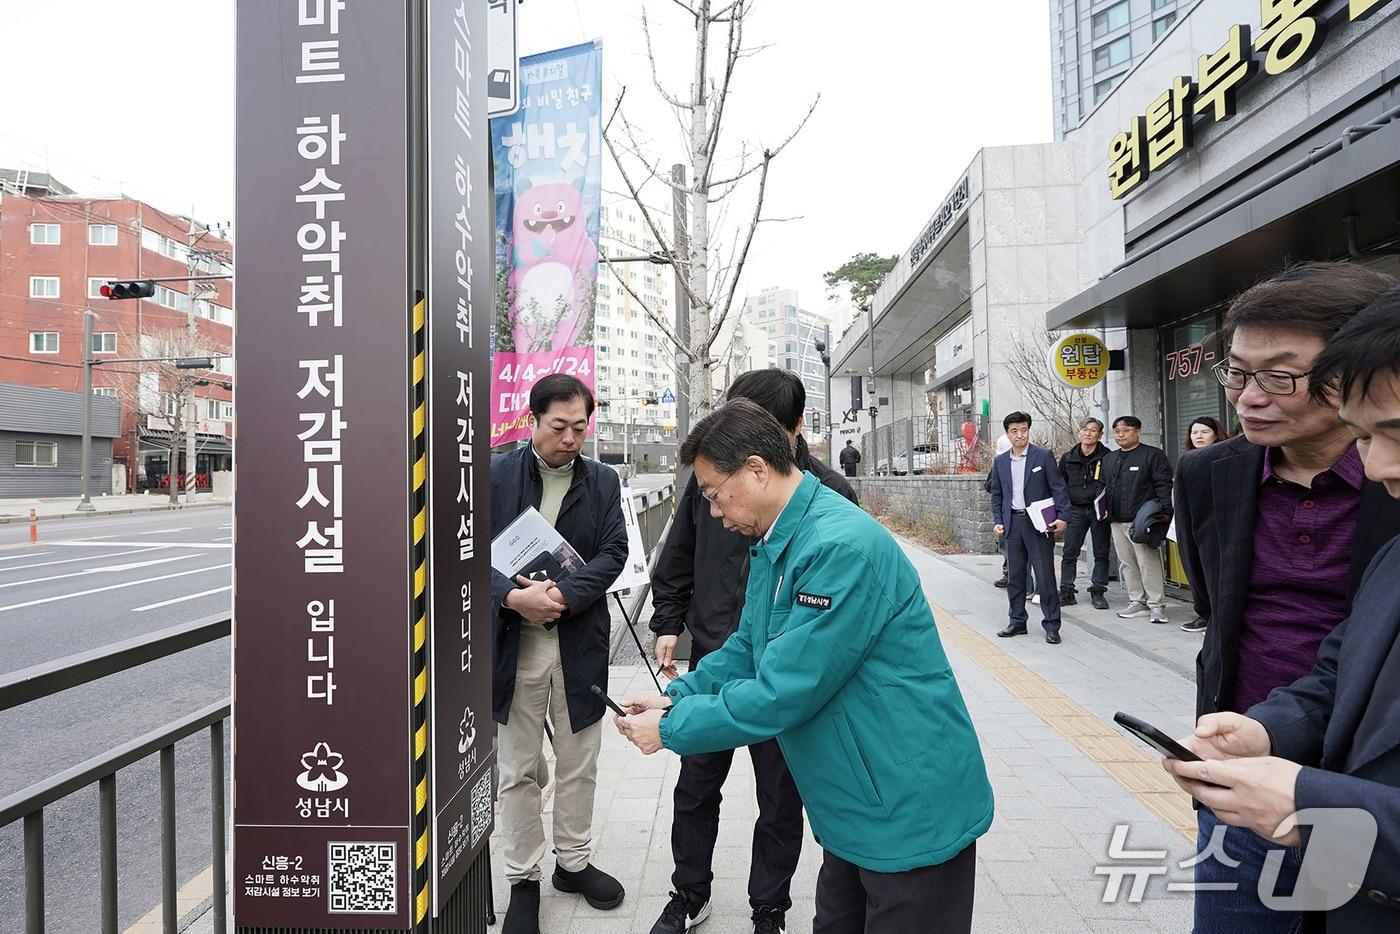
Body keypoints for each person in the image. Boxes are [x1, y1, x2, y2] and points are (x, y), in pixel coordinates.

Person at [616, 400, 992, 934]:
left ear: (756, 470)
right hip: (854, 802)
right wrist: (679, 694)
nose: (715, 512)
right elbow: (749, 647)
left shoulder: (838, 546)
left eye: (715, 495)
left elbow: (783, 690)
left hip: (907, 805)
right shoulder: (779, 540)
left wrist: (673, 728)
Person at [1172, 262, 1400, 933]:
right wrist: (1259, 729)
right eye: (1238, 373)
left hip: (1360, 786)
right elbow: (1218, 610)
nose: (1247, 398)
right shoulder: (1208, 474)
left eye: (1279, 376)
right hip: (1248, 775)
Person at [648, 368, 857, 934]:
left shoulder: (831, 500)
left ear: (788, 431)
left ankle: (769, 907)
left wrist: (665, 725)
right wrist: (669, 621)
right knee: (695, 787)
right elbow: (678, 553)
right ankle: (689, 892)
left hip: (786, 672)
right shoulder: (712, 479)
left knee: (781, 799)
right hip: (722, 653)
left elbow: (812, 658)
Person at [489, 374, 630, 934]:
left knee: (579, 764)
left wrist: (564, 597)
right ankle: (523, 878)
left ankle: (572, 863)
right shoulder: (495, 474)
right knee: (517, 768)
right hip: (514, 647)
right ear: (533, 421)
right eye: (559, 427)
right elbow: (464, 550)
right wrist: (513, 596)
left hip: (578, 644)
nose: (571, 438)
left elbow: (615, 549)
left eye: (580, 427)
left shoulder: (602, 480)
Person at [988, 412, 1070, 643]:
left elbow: (1058, 488)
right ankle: (1017, 621)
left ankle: (1052, 625)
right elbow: (997, 495)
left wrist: (1063, 516)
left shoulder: (1042, 456)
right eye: (1014, 431)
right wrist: (998, 520)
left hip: (1038, 525)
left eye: (1023, 430)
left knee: (1045, 577)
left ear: (1028, 430)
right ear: (1007, 433)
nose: (1019, 435)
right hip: (1012, 525)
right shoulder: (1001, 461)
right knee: (1015, 576)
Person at [1101, 415, 1173, 623]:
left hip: (1142, 521)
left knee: (1147, 563)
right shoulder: (1109, 459)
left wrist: (1164, 512)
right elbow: (1102, 486)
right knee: (1127, 563)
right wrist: (1102, 509)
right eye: (1117, 431)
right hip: (1116, 520)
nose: (1120, 435)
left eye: (1126, 430)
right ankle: (1137, 601)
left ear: (1138, 432)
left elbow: (1163, 486)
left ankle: (1156, 605)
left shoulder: (1153, 455)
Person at [1178, 416, 1230, 633]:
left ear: (1216, 434)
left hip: (1220, 524)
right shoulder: (1187, 459)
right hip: (1192, 522)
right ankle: (1204, 613)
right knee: (1195, 568)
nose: (1198, 436)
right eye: (1194, 432)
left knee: (1218, 572)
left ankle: (1220, 617)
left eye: (1204, 432)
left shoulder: (1229, 458)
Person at [1057, 416, 1112, 611]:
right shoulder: (1068, 457)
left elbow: (1112, 485)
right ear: (1079, 432)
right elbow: (1059, 486)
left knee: (1101, 552)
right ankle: (1066, 591)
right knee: (1070, 552)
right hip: (1075, 510)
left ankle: (1098, 590)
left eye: (1093, 430)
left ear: (1100, 434)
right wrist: (1062, 510)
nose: (1088, 433)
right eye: (1085, 429)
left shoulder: (1108, 457)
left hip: (1099, 511)